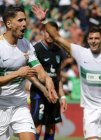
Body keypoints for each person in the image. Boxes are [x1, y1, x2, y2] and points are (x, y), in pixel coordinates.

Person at [32, 4, 101, 140]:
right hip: (90, 109)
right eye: (91, 39)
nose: (93, 41)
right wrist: (44, 21)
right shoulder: (80, 53)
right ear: (87, 40)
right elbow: (57, 37)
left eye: (96, 38)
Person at [0, 5, 58, 140]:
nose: (25, 24)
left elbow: (39, 70)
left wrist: (48, 81)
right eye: (20, 20)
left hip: (19, 103)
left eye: (25, 20)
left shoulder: (26, 45)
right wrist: (16, 74)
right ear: (9, 24)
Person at [30, 21, 67, 140]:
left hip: (54, 94)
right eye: (48, 32)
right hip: (39, 93)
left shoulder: (58, 51)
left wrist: (62, 97)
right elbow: (30, 74)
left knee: (51, 126)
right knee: (37, 126)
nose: (50, 35)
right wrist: (43, 89)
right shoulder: (36, 49)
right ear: (43, 32)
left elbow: (58, 75)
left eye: (53, 33)